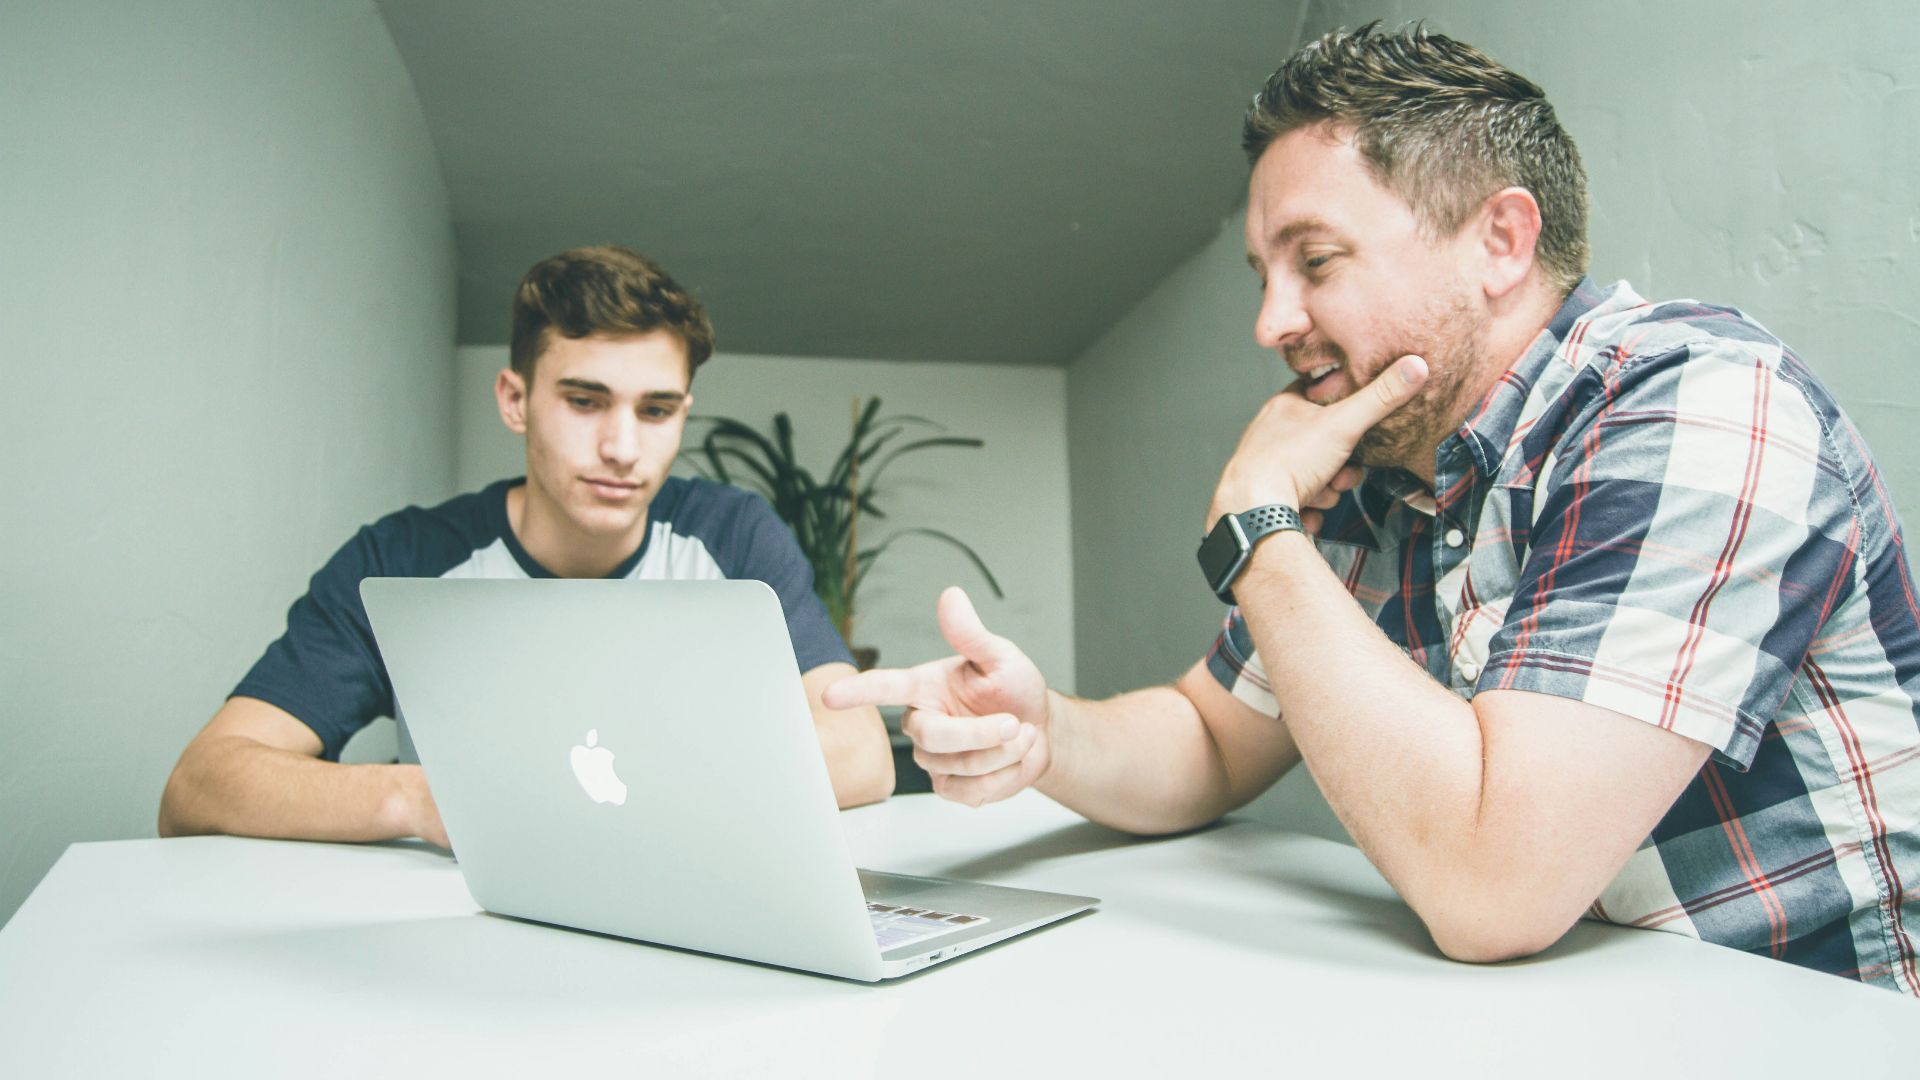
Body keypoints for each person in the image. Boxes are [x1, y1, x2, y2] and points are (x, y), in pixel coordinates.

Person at [826, 24, 1920, 993]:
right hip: (1570, 1017)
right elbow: (1212, 736)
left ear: (1501, 241)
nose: (1271, 320)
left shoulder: (1699, 405)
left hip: (1816, 1027)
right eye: (1264, 272)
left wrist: (1258, 523)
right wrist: (1045, 731)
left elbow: (1495, 887)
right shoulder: (1389, 465)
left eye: (1315, 261)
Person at [161, 245, 894, 846]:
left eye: (657, 410)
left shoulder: (731, 536)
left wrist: (600, 789)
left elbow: (861, 755)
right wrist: (422, 800)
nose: (622, 447)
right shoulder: (404, 559)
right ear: (516, 400)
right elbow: (201, 784)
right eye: (584, 401)